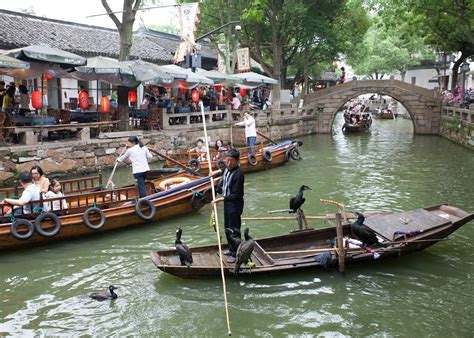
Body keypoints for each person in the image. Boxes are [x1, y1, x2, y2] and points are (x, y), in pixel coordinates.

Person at [213, 149, 245, 263]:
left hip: (235, 204)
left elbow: (236, 195)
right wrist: (215, 173)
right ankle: (231, 249)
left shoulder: (239, 174)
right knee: (227, 227)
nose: (228, 162)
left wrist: (220, 199)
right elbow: (223, 171)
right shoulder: (227, 168)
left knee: (234, 229)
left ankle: (237, 253)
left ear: (237, 161)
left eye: (231, 160)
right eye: (227, 160)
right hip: (227, 203)